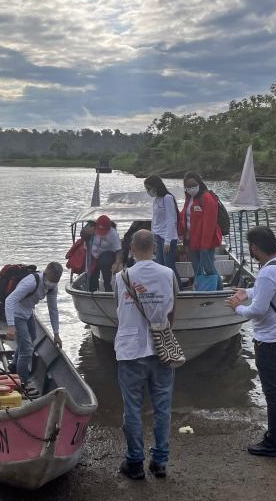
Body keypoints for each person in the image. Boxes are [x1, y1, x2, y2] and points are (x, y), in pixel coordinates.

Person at [226, 226, 276, 457]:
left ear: (254, 247)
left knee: (273, 393)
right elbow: (270, 292)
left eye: (250, 247)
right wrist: (248, 291)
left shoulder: (267, 272)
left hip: (270, 342)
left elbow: (258, 311)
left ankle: (273, 442)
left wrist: (237, 307)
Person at [114, 229, 178, 480]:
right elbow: (172, 311)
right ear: (154, 248)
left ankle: (135, 462)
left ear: (131, 249)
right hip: (161, 348)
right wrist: (165, 334)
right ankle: (160, 462)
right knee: (162, 408)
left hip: (130, 351)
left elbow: (118, 310)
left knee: (132, 408)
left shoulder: (122, 277)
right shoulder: (168, 273)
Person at [5, 262, 63, 388]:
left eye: (56, 281)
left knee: (32, 337)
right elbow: (9, 300)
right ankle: (22, 383)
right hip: (16, 313)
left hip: (28, 312)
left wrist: (56, 333)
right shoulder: (31, 282)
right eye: (52, 280)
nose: (52, 283)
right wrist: (11, 325)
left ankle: (14, 365)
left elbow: (53, 309)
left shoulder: (52, 287)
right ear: (45, 274)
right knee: (27, 350)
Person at [177, 172, 221, 288]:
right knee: (197, 269)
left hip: (205, 242)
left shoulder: (207, 198)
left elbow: (209, 224)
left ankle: (219, 290)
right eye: (188, 186)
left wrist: (205, 246)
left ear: (199, 184)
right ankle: (203, 289)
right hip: (191, 242)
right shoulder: (189, 199)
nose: (191, 188)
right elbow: (184, 217)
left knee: (209, 268)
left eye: (193, 185)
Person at [144, 175, 181, 285]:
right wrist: (152, 236)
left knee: (169, 267)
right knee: (160, 265)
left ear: (156, 186)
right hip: (158, 237)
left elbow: (171, 220)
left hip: (167, 238)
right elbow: (154, 219)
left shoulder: (167, 198)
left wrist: (168, 241)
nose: (148, 191)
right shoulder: (156, 200)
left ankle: (178, 289)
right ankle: (166, 288)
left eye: (149, 188)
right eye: (147, 189)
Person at [88, 215, 123, 292]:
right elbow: (83, 236)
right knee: (92, 274)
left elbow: (119, 250)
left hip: (108, 255)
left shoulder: (113, 233)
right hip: (94, 255)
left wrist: (117, 263)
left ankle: (108, 288)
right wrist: (87, 232)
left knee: (104, 262)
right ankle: (92, 290)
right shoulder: (92, 229)